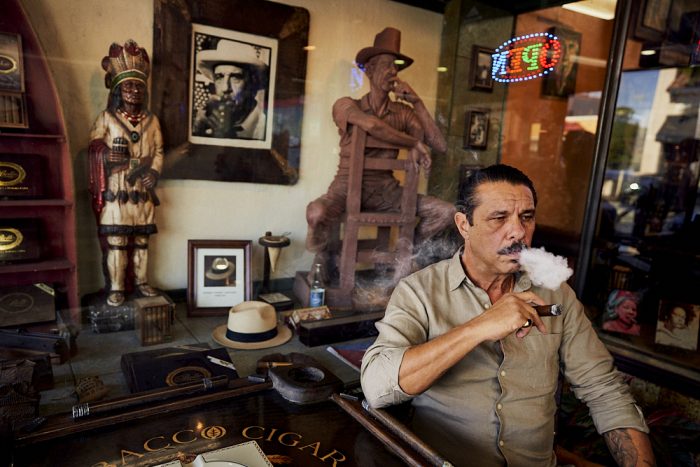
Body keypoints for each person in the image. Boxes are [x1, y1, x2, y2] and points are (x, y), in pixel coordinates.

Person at [361, 164, 654, 467]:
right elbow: (377, 388)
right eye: (499, 218)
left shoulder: (556, 294)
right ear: (464, 225)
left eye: (526, 217)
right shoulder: (419, 292)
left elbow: (604, 389)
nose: (517, 231)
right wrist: (479, 327)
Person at [305, 27, 455, 279]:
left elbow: (439, 145)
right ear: (369, 70)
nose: (393, 71)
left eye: (395, 66)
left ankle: (405, 256)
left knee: (446, 212)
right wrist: (412, 143)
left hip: (386, 191)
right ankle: (322, 256)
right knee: (316, 212)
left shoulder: (402, 112)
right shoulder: (347, 105)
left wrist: (416, 102)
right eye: (386, 65)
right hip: (344, 188)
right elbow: (372, 125)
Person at [88, 40, 163, 307]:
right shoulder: (106, 118)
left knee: (142, 241)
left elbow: (159, 152)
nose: (134, 90)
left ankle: (142, 282)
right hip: (117, 191)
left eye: (139, 86)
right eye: (129, 85)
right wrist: (106, 156)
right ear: (118, 89)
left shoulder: (152, 121)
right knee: (117, 242)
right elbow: (94, 146)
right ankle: (117, 288)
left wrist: (153, 173)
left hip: (141, 192)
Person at [192, 39, 268, 140]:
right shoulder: (206, 121)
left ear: (251, 84)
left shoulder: (265, 128)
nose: (225, 88)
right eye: (219, 77)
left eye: (235, 77)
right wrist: (197, 133)